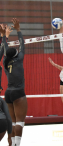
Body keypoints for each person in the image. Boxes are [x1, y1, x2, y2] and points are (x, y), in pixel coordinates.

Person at [0, 18, 28, 146]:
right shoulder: (19, 58)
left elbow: (5, 48)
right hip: (18, 93)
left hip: (8, 93)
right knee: (20, 122)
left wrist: (4, 36)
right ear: (16, 54)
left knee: (12, 122)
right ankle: (17, 144)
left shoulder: (5, 61)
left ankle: (11, 143)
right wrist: (18, 30)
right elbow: (22, 44)